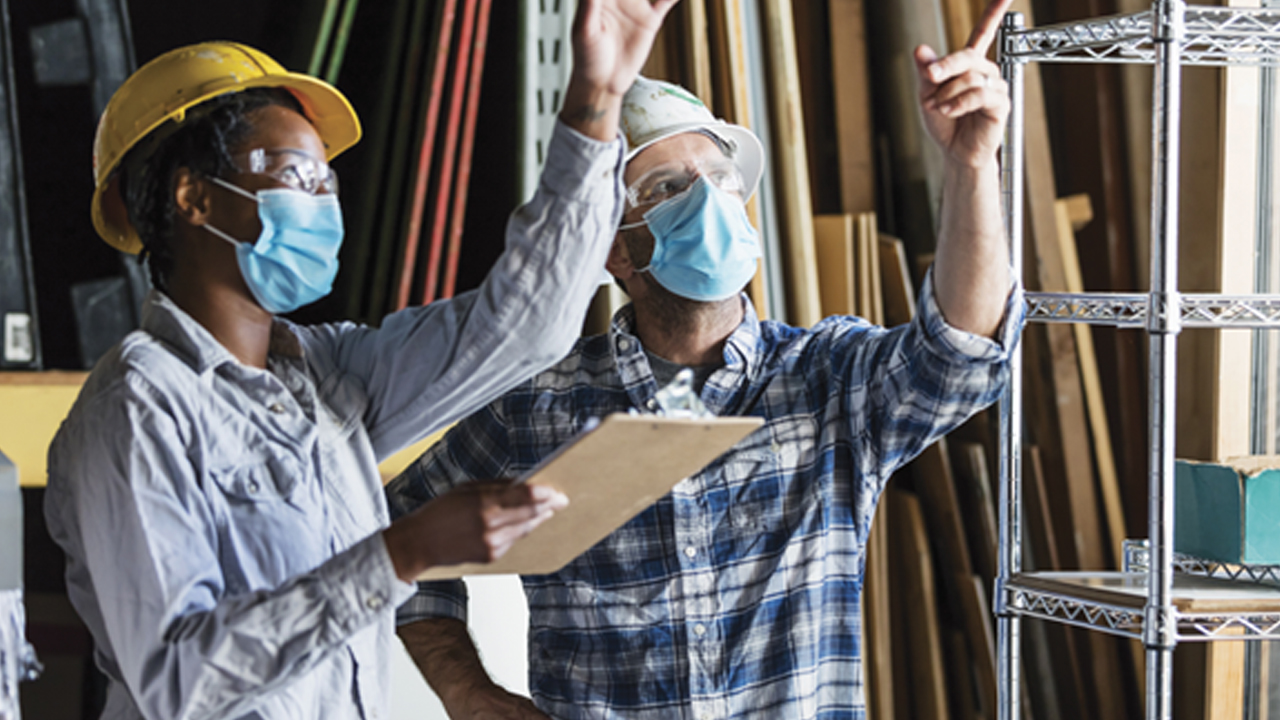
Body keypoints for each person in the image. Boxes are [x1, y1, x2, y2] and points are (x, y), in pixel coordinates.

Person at [385, 0, 1024, 718]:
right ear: (615, 250)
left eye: (718, 177)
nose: (709, 203)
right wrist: (465, 691)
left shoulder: (827, 383)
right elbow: (398, 528)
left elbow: (961, 357)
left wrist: (971, 163)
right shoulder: (534, 407)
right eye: (664, 189)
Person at [43, 1, 680, 718]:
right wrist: (399, 552)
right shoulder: (136, 408)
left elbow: (527, 325)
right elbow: (177, 681)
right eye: (296, 175)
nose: (321, 204)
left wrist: (594, 102)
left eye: (328, 184)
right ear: (194, 196)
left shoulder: (326, 382)